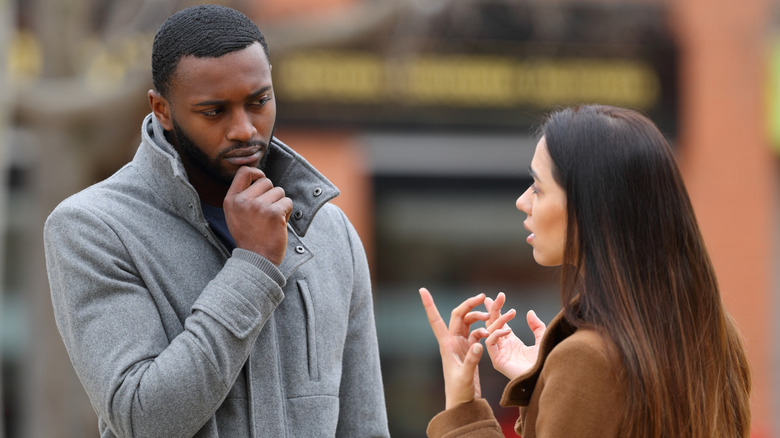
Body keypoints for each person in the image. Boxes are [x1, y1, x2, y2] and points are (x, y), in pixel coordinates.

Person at [43, 4, 389, 437]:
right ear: (163, 110)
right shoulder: (93, 229)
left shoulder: (328, 229)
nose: (244, 129)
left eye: (258, 101)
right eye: (214, 111)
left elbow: (364, 425)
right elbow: (144, 420)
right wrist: (253, 264)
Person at [419, 104, 751, 437]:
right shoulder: (714, 335)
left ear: (588, 206)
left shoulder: (585, 361)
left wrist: (464, 412)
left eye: (537, 187)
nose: (523, 201)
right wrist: (547, 382)